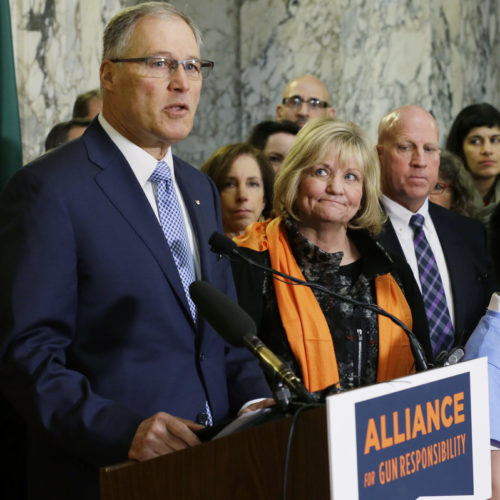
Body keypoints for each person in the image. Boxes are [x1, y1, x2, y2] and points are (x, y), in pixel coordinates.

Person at [0, 3, 271, 499]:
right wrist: (123, 431)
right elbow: (29, 357)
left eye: (191, 66)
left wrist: (257, 405)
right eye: (160, 63)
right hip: (116, 475)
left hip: (219, 465)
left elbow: (223, 333)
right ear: (109, 74)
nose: (181, 82)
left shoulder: (197, 188)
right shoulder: (50, 189)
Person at [232, 118, 432, 396]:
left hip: (387, 432)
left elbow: (426, 369)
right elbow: (233, 365)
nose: (336, 188)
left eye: (351, 177)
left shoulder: (392, 270)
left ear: (363, 192)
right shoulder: (252, 261)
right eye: (322, 172)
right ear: (296, 177)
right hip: (289, 435)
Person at [376, 105, 497, 356]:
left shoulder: (470, 233)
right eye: (405, 147)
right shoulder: (357, 232)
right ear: (379, 155)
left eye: (429, 149)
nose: (420, 161)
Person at [201, 142, 274, 238]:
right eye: (229, 185)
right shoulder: (195, 247)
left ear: (264, 198)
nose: (242, 196)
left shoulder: (281, 246)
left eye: (253, 184)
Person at [445, 103, 500, 222]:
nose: (487, 150)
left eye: (495, 140)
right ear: (459, 148)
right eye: (475, 141)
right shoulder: (444, 196)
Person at [429, 150, 482, 218]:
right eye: (421, 186)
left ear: (455, 198)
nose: (426, 197)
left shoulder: (471, 227)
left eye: (438, 187)